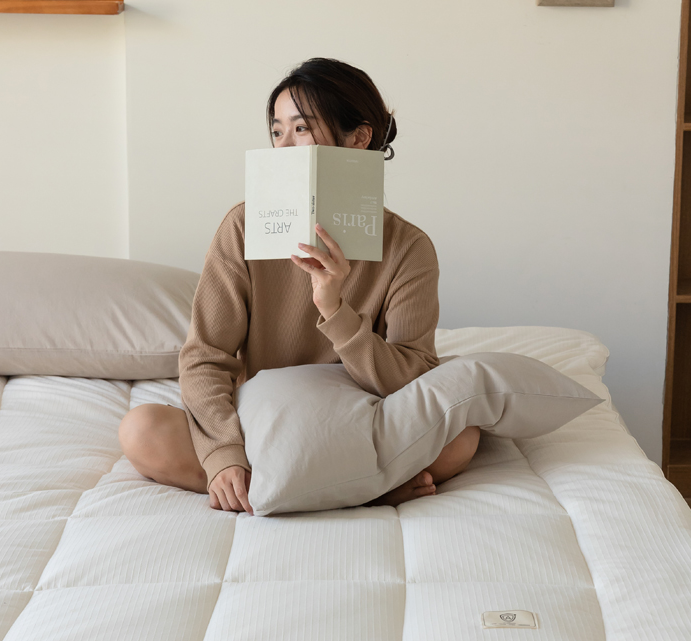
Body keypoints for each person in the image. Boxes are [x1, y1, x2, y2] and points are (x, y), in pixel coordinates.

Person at [119, 57, 480, 515]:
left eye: (301, 129)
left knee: (463, 435)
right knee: (141, 428)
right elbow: (205, 356)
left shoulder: (408, 247)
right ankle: (358, 488)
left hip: (363, 427)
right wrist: (224, 454)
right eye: (276, 131)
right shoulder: (244, 226)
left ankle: (301, 485)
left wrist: (337, 312)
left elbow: (411, 378)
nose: (283, 145)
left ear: (359, 137)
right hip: (263, 425)